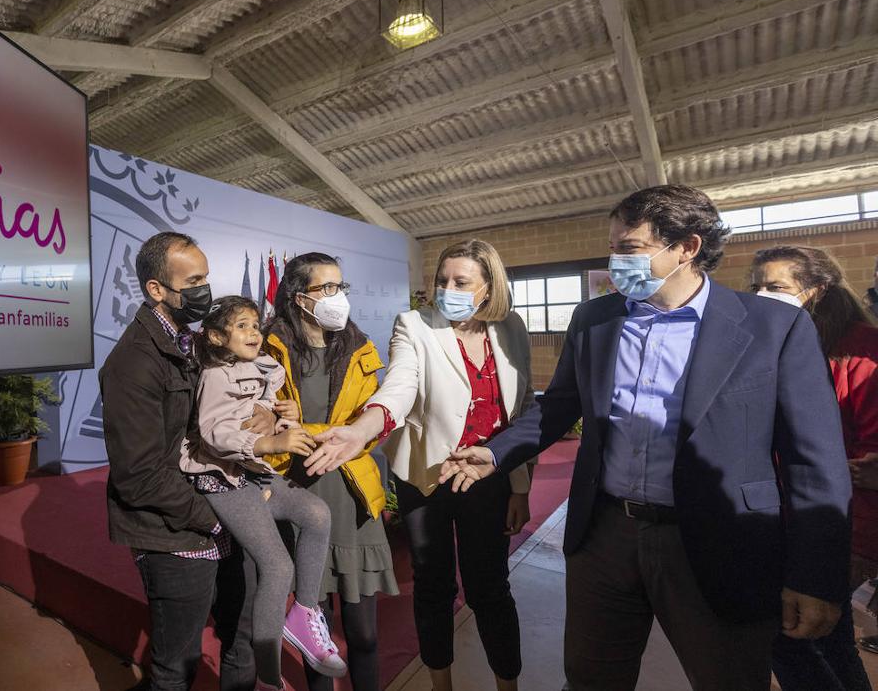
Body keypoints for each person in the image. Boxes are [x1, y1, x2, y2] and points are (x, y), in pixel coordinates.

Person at [436, 185, 852, 691]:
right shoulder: (596, 320)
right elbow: (560, 405)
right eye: (613, 247)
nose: (616, 261)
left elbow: (815, 461)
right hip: (606, 536)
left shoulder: (774, 327)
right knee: (591, 679)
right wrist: (496, 452)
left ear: (687, 248)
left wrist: (814, 575)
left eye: (629, 248)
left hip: (717, 541)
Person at [305, 240, 534, 691]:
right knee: (433, 586)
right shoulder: (414, 324)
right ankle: (440, 684)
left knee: (490, 588)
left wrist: (520, 486)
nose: (447, 289)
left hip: (487, 476)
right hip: (425, 478)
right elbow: (399, 386)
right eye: (442, 281)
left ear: (488, 287)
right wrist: (361, 430)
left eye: (461, 282)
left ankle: (507, 684)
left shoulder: (511, 327)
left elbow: (522, 410)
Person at [101, 232, 265, 691]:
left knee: (241, 639)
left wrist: (266, 412)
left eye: (206, 278)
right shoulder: (132, 363)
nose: (204, 291)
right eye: (194, 281)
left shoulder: (191, 342)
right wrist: (217, 519)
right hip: (174, 530)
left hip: (220, 508)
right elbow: (139, 476)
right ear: (157, 289)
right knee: (178, 664)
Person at [180, 295, 346, 690]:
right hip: (222, 477)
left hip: (253, 472)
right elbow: (215, 433)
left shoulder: (262, 367)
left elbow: (261, 416)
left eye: (255, 325)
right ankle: (270, 679)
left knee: (317, 514)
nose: (253, 332)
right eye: (241, 326)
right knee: (277, 566)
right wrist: (271, 444)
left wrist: (279, 416)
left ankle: (304, 614)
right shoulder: (217, 374)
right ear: (218, 337)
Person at [263, 252, 400, 691]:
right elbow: (255, 423)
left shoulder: (359, 347)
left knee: (363, 633)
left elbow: (372, 426)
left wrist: (319, 431)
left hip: (353, 497)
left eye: (341, 287)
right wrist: (270, 419)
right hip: (300, 496)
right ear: (299, 296)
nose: (337, 296)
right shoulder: (268, 347)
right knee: (315, 634)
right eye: (327, 288)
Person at [752, 245, 878, 691]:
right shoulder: (775, 344)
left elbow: (867, 463)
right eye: (757, 287)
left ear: (817, 291)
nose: (763, 296)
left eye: (777, 287)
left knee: (793, 640)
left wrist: (857, 547)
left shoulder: (860, 350)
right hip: (781, 521)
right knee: (831, 642)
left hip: (832, 530)